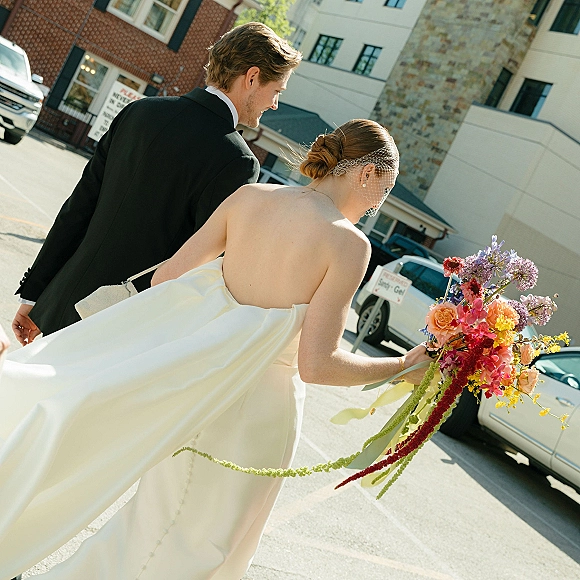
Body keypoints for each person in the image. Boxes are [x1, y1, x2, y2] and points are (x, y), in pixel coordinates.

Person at [0, 119, 432, 579]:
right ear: (366, 173)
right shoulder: (348, 244)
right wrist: (402, 365)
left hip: (198, 388)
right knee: (207, 546)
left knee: (158, 521)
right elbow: (317, 364)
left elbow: (167, 279)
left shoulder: (250, 198)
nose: (376, 206)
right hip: (258, 412)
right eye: (382, 191)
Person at [11, 21, 302, 344]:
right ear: (251, 78)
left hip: (62, 303)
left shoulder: (140, 111)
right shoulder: (237, 162)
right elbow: (198, 269)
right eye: (276, 91)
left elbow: (78, 207)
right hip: (126, 330)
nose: (274, 104)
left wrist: (36, 295)